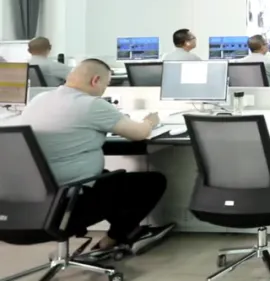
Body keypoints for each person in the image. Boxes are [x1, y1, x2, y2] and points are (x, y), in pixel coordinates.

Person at [8, 59, 173, 255]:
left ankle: (128, 233)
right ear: (95, 80)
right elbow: (139, 133)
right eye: (106, 84)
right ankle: (115, 238)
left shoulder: (39, 99)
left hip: (26, 204)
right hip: (67, 202)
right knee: (151, 182)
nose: (104, 89)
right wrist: (150, 121)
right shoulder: (91, 104)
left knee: (109, 178)